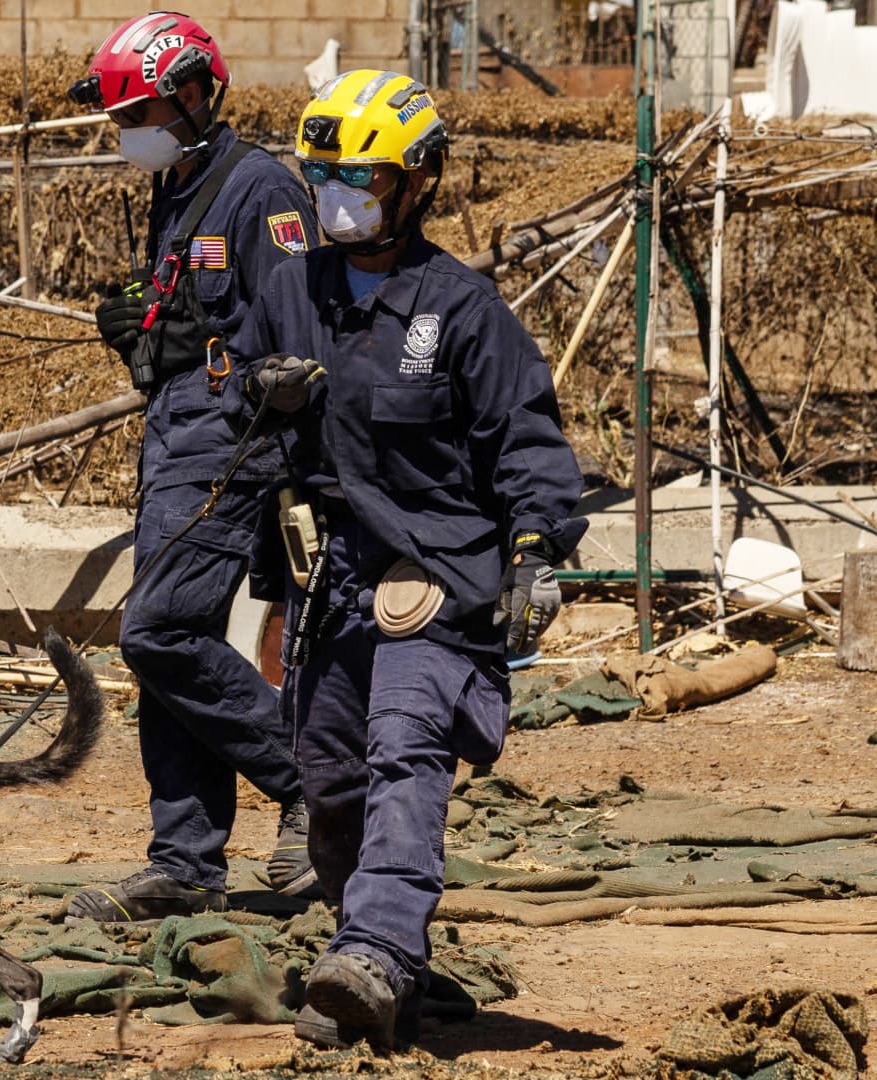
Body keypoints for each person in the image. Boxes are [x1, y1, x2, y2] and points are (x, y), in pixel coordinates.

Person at [243, 69, 587, 1048]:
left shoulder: (463, 310)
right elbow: (240, 417)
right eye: (324, 175)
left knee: (406, 750)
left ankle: (379, 955)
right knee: (329, 773)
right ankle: (374, 949)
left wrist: (535, 551)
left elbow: (527, 445)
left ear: (417, 181)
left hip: (435, 568)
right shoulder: (288, 289)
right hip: (331, 574)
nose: (339, 194)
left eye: (363, 177)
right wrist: (261, 402)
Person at [61, 11, 321, 923]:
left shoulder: (263, 193)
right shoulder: (176, 187)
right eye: (123, 119)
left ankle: (314, 786)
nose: (130, 134)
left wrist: (227, 364)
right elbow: (200, 325)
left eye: (142, 114)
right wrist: (150, 340)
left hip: (233, 448)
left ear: (196, 94)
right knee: (173, 650)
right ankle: (185, 861)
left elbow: (295, 350)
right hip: (174, 443)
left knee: (157, 632)